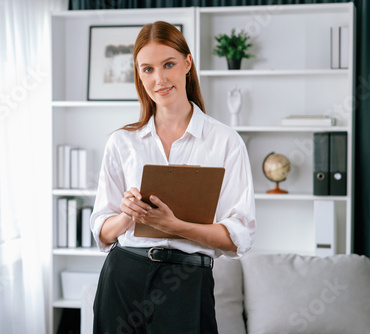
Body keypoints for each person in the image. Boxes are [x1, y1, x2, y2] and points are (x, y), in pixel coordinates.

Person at [90, 21, 256, 334]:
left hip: (187, 282)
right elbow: (103, 231)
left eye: (168, 64)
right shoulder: (121, 142)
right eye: (148, 69)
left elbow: (239, 236)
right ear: (139, 74)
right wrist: (127, 216)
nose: (160, 79)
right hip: (123, 276)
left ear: (187, 64)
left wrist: (175, 227)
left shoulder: (224, 141)